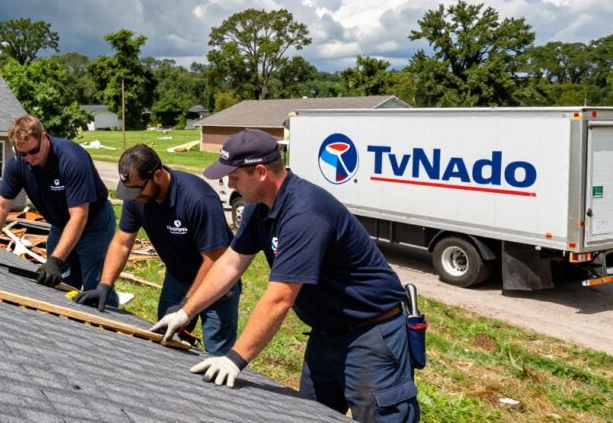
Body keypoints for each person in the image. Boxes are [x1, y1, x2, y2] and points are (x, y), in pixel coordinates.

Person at [151, 129, 419, 423]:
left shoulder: (304, 214)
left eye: (234, 176)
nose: (229, 184)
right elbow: (230, 264)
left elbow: (280, 298)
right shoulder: (258, 209)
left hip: (372, 337)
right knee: (311, 414)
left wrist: (235, 358)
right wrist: (185, 311)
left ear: (261, 172)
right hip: (326, 335)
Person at [73, 144, 240, 355]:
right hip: (177, 277)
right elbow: (122, 242)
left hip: (217, 281)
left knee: (217, 353)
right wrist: (104, 285)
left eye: (138, 189)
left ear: (158, 175)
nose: (134, 196)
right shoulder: (137, 198)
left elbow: (215, 260)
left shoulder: (197, 199)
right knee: (165, 339)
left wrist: (187, 305)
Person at [0, 115, 118, 307]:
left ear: (44, 137)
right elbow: (2, 204)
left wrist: (55, 260)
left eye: (33, 151)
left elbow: (79, 215)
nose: (30, 158)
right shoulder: (18, 163)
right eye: (23, 154)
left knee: (95, 288)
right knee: (57, 284)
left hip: (94, 225)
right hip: (61, 225)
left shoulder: (71, 159)